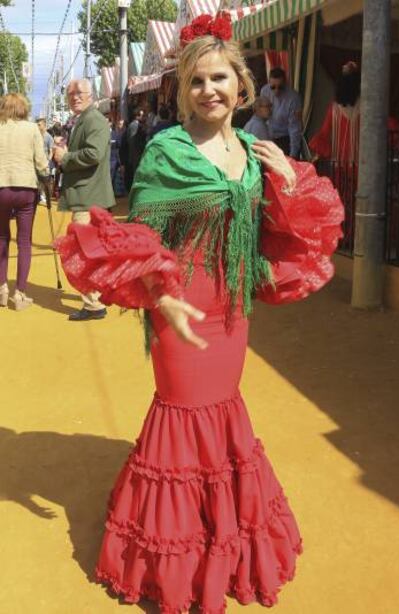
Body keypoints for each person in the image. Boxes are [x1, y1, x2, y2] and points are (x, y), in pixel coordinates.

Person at [55, 12, 343, 613]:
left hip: (232, 310)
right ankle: (173, 562)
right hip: (180, 307)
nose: (209, 90)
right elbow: (143, 238)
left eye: (220, 78)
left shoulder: (254, 149)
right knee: (183, 418)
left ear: (242, 85)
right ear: (183, 89)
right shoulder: (167, 149)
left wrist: (287, 179)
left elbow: (276, 238)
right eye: (196, 81)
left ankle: (223, 541)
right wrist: (161, 299)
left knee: (224, 416)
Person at [53, 78, 115, 322]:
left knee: (85, 251)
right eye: (70, 94)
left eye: (79, 93)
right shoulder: (87, 119)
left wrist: (66, 157)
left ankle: (93, 304)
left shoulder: (94, 120)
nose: (74, 97)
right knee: (91, 249)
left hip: (89, 196)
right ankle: (95, 298)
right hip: (87, 195)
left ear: (91, 95)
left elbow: (94, 154)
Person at [0, 93, 49, 310]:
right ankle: (20, 293)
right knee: (24, 241)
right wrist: (47, 177)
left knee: (1, 237)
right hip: (26, 188)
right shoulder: (32, 129)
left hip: (1, 186)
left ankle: (2, 288)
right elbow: (41, 162)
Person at [260, 67, 302, 159]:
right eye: (273, 87)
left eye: (280, 87)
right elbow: (262, 117)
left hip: (285, 138)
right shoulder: (264, 91)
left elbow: (294, 128)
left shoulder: (293, 98)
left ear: (285, 83)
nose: (276, 90)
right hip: (268, 136)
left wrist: (293, 155)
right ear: (269, 83)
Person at [124, 109, 147, 192]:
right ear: (137, 116)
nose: (143, 117)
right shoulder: (134, 125)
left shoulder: (137, 125)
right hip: (136, 155)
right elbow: (132, 141)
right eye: (141, 115)